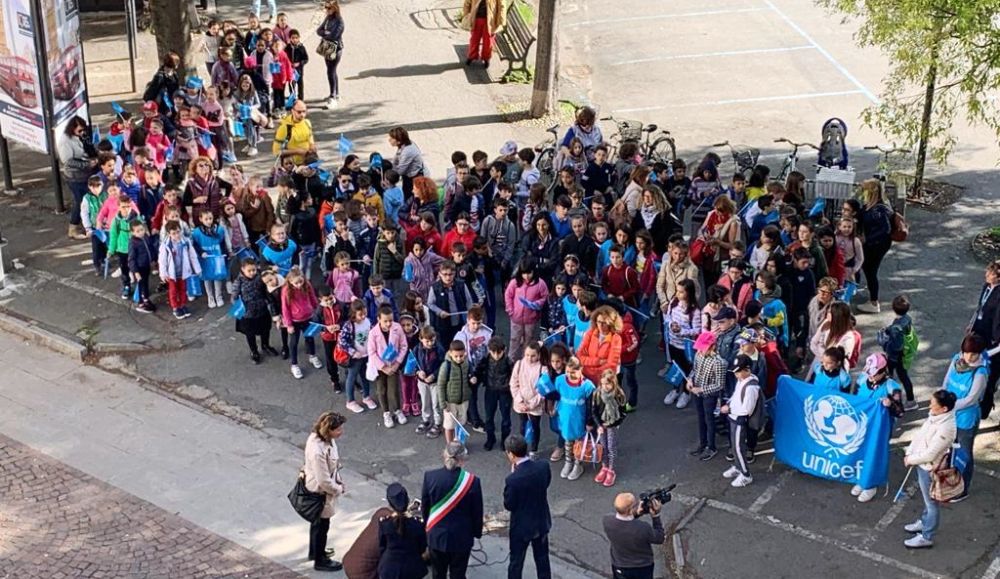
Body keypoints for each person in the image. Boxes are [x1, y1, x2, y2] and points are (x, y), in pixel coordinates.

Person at [902, 390, 958, 549]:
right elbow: (921, 436)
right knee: (928, 500)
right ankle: (925, 522)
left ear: (944, 409)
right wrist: (910, 452)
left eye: (933, 405)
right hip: (922, 464)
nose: (929, 406)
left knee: (931, 503)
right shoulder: (935, 416)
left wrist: (911, 459)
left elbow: (931, 454)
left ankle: (927, 535)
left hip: (930, 468)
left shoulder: (946, 428)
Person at [421, 443, 484, 579]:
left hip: (437, 536)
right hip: (462, 538)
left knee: (438, 574)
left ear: (444, 455)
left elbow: (425, 507)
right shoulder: (473, 482)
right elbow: (477, 512)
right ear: (463, 459)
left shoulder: (430, 477)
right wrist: (476, 533)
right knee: (458, 574)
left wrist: (428, 529)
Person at [942, 333, 989, 502]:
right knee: (949, 450)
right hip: (949, 414)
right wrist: (943, 399)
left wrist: (947, 406)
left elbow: (971, 399)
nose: (969, 357)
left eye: (974, 354)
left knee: (964, 454)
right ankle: (949, 479)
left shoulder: (980, 372)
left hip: (966, 420)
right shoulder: (957, 359)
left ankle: (962, 488)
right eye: (967, 352)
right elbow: (946, 382)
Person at [503, 434, 552, 579]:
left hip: (521, 527)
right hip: (541, 521)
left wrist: (514, 475)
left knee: (516, 562)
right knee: (543, 559)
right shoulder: (543, 466)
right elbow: (546, 483)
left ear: (511, 454)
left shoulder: (513, 480)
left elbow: (509, 504)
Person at [304, 411, 347, 572]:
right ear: (328, 430)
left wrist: (339, 479)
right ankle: (320, 560)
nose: (341, 432)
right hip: (319, 492)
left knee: (317, 524)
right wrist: (338, 489)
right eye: (338, 429)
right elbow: (323, 480)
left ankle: (315, 552)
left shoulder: (325, 440)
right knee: (322, 526)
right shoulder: (317, 450)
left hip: (322, 489)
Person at [602, 493, 665, 579]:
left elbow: (624, 524)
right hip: (642, 566)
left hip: (619, 565)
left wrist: (636, 514)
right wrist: (656, 516)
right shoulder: (643, 528)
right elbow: (659, 538)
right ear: (631, 510)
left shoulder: (607, 520)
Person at [721, 354, 760, 488]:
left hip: (739, 419)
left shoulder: (751, 387)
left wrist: (729, 409)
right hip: (733, 417)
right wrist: (729, 404)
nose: (736, 374)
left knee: (738, 447)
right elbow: (735, 395)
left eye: (738, 371)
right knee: (734, 445)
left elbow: (747, 410)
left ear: (747, 369)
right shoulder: (741, 381)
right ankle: (738, 467)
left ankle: (745, 474)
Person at [968, 260, 1000, 417]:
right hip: (980, 330)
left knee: (991, 373)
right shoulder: (986, 286)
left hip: (994, 339)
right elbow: (980, 307)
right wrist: (972, 323)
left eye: (990, 273)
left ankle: (985, 408)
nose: (986, 274)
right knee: (973, 363)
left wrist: (995, 344)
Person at [858, 179, 894, 313]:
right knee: (869, 269)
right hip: (877, 244)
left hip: (876, 245)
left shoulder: (878, 210)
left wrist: (867, 239)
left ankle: (874, 302)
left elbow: (885, 229)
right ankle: (872, 293)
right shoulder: (878, 205)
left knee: (870, 270)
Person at [377, 483, 428, 579]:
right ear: (408, 501)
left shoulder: (385, 523)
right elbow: (422, 548)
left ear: (390, 505)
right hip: (412, 568)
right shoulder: (417, 524)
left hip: (389, 569)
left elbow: (382, 547)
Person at [877, 294, 918, 411]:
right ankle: (910, 400)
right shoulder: (907, 319)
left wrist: (885, 343)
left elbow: (896, 345)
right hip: (903, 355)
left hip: (895, 357)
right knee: (903, 376)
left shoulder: (896, 327)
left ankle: (894, 399)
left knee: (892, 376)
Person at [57, 116, 95, 240]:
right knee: (80, 201)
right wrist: (87, 164)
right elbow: (67, 161)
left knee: (85, 199)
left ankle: (84, 223)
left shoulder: (79, 136)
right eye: (80, 131)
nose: (82, 133)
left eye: (83, 130)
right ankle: (73, 228)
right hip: (74, 176)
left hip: (84, 173)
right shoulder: (65, 141)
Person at [316, 1, 345, 109]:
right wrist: (325, 33)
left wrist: (326, 33)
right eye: (326, 8)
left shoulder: (340, 21)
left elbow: (335, 35)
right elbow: (319, 30)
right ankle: (335, 93)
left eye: (329, 8)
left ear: (335, 8)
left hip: (336, 49)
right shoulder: (328, 18)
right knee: (331, 71)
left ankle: (333, 96)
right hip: (326, 48)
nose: (326, 10)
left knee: (331, 71)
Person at [460, 0, 505, 66]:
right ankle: (472, 56)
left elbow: (502, 6)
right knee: (474, 39)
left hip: (490, 21)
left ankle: (486, 58)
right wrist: (466, 15)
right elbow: (467, 3)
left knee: (488, 41)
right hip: (476, 18)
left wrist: (501, 20)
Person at [272, 101, 315, 165]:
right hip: (292, 166)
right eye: (299, 112)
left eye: (304, 111)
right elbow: (276, 152)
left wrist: (312, 146)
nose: (302, 115)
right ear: (292, 111)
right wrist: (297, 151)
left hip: (308, 163)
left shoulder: (307, 123)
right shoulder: (284, 128)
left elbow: (310, 139)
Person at [390, 127, 425, 198]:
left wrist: (389, 176)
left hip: (414, 178)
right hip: (408, 176)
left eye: (392, 138)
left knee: (412, 199)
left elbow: (400, 171)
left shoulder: (407, 151)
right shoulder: (404, 145)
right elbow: (396, 160)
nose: (389, 140)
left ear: (399, 141)